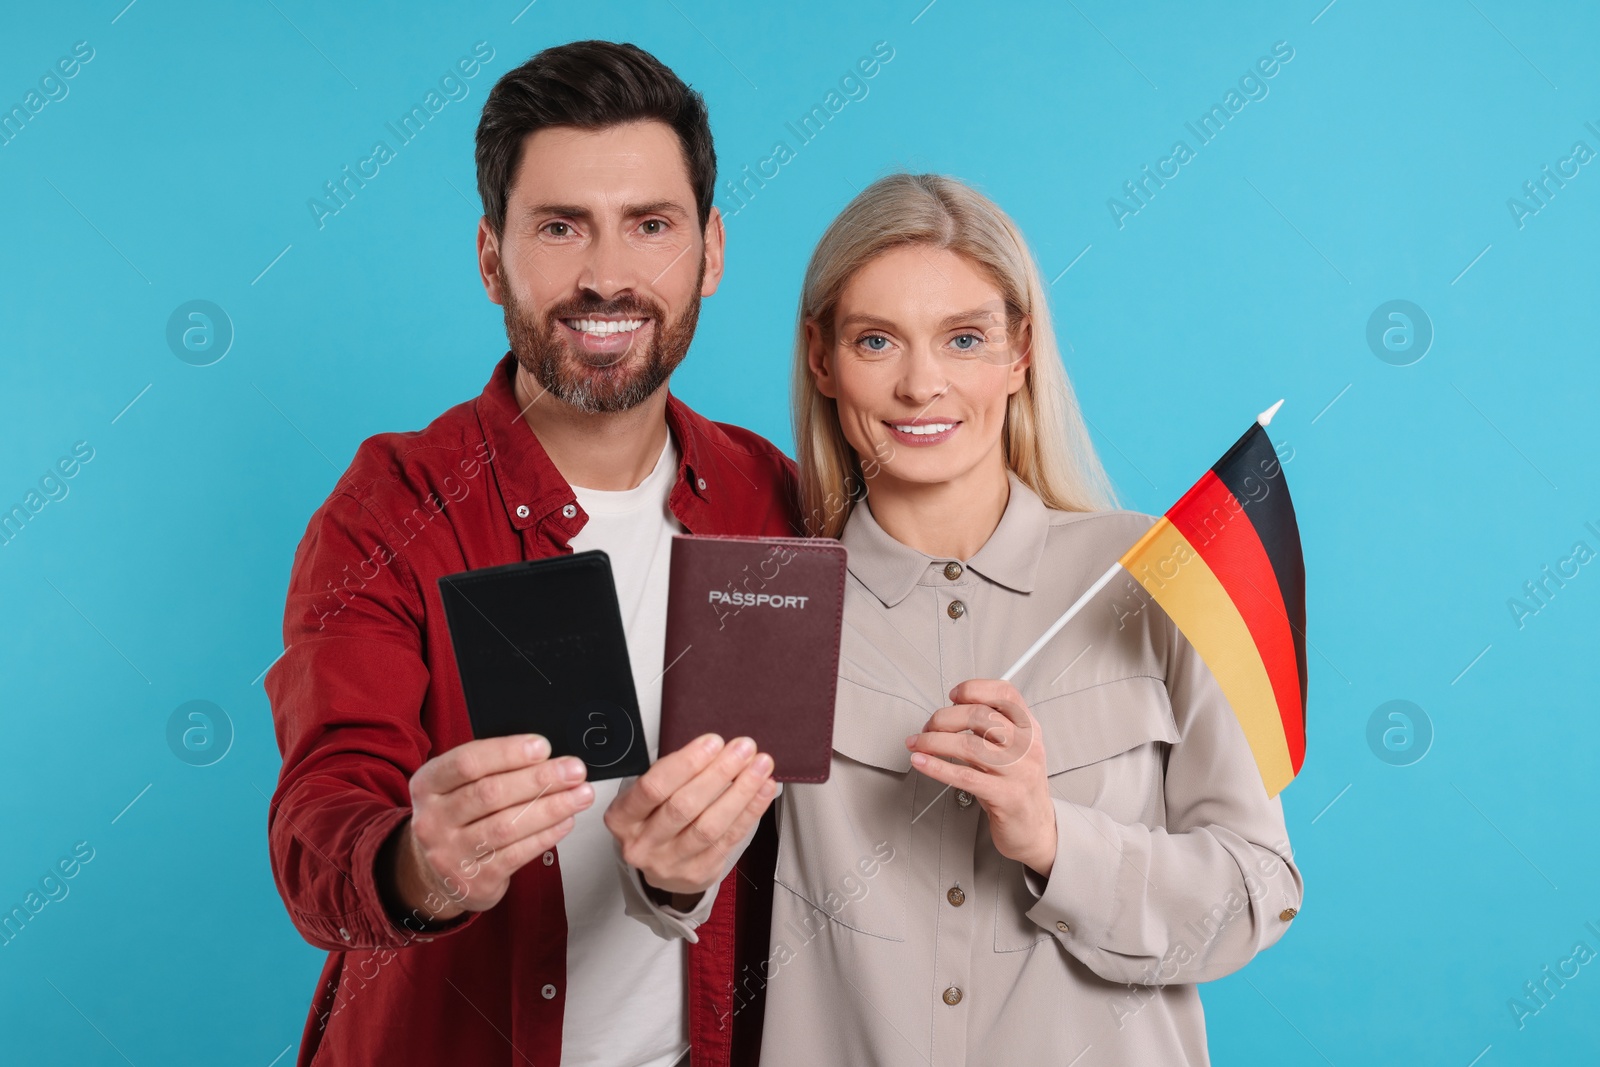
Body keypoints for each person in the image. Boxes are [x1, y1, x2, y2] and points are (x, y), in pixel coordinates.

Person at [614, 173, 1304, 1065]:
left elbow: (1259, 894)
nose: (921, 384)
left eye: (965, 338)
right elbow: (687, 898)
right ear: (822, 359)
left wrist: (1050, 836)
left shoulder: (1150, 576)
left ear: (1020, 353)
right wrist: (663, 874)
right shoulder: (772, 598)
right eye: (876, 341)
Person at [264, 40, 785, 1067]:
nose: (605, 275)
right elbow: (320, 809)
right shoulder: (392, 505)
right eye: (559, 227)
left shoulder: (779, 500)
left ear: (711, 252)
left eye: (650, 225)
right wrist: (421, 863)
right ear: (492, 256)